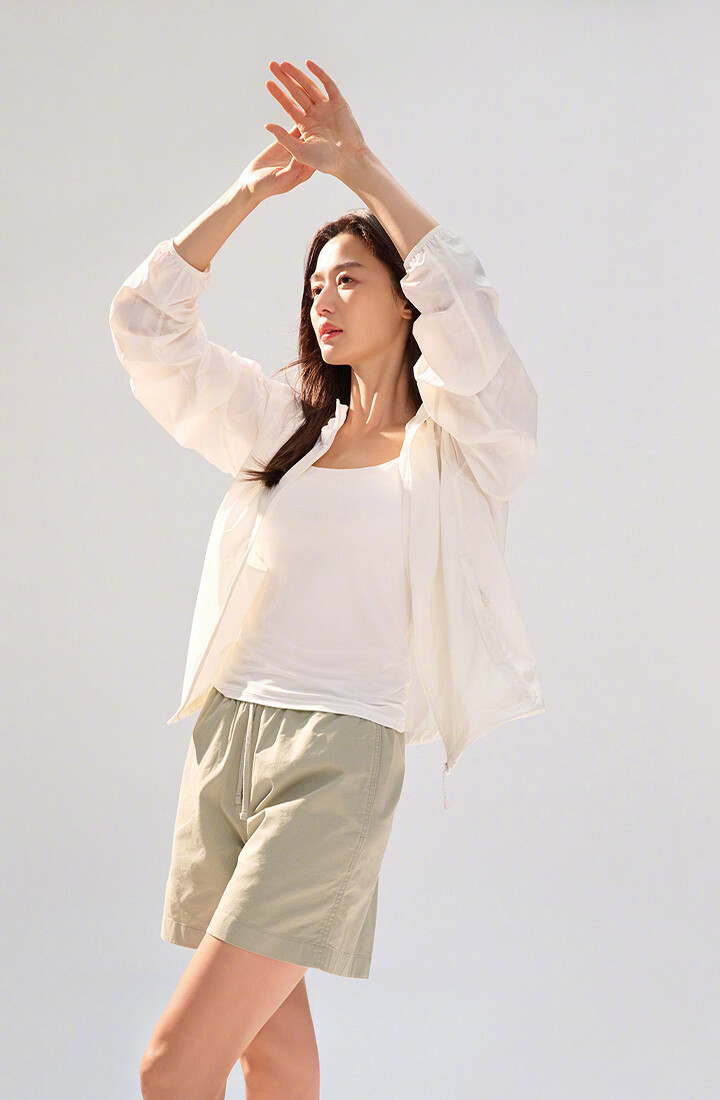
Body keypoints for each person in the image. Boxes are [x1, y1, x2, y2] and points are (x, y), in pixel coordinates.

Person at [109, 57, 545, 1100]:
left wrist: (360, 168)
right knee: (272, 1053)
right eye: (313, 286)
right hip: (228, 738)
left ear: (405, 298)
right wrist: (246, 195)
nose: (324, 300)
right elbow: (147, 329)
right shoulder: (286, 431)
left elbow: (470, 310)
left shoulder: (461, 449)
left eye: (349, 278)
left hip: (338, 755)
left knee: (170, 1067)